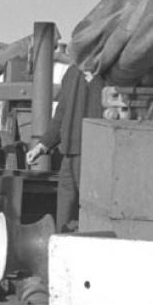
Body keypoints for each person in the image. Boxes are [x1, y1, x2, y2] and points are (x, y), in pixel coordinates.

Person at [25, 64, 106, 232]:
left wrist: (96, 81)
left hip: (94, 154)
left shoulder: (107, 74)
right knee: (65, 209)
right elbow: (60, 114)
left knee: (92, 209)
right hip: (68, 156)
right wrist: (42, 146)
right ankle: (63, 241)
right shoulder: (71, 73)